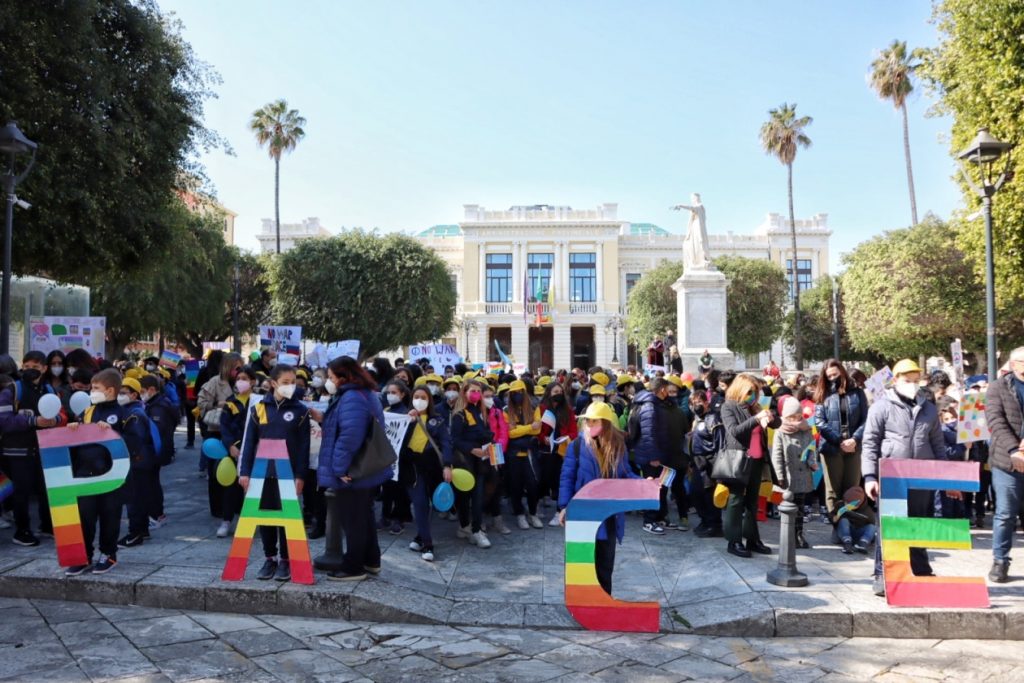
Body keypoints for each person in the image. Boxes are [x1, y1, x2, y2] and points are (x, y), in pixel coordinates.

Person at [862, 358, 949, 597]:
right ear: (896, 380)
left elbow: (938, 444)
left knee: (919, 523)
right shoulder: (881, 407)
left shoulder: (929, 409)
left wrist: (944, 477)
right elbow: (870, 443)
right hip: (892, 476)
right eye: (906, 380)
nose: (911, 384)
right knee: (890, 526)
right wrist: (870, 476)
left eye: (915, 380)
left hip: (922, 477)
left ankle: (920, 569)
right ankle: (883, 574)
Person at [317, 356, 393, 581]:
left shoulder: (352, 397)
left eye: (331, 377)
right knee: (364, 515)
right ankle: (371, 560)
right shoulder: (362, 393)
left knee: (353, 519)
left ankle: (353, 567)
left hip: (354, 469)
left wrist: (339, 469)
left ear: (343, 376)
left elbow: (350, 436)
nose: (329, 381)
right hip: (363, 468)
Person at [64, 369, 142, 575]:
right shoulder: (87, 412)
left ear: (109, 390)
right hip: (86, 475)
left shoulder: (126, 414)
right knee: (85, 517)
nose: (92, 391)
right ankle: (84, 557)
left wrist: (112, 433)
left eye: (96, 388)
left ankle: (109, 554)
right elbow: (75, 441)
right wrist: (72, 429)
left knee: (110, 516)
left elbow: (134, 443)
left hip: (112, 476)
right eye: (91, 387)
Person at [557, 402, 641, 594]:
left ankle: (604, 601)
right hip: (583, 513)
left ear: (605, 423)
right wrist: (563, 506)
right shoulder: (577, 446)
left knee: (605, 562)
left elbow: (626, 474)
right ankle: (581, 602)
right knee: (581, 563)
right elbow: (567, 477)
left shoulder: (618, 446)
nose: (589, 425)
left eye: (594, 421)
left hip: (609, 515)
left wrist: (645, 483)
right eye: (587, 421)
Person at [238, 364, 311, 582]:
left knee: (287, 519)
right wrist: (245, 472)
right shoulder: (258, 409)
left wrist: (301, 476)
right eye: (286, 382)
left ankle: (286, 561)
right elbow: (249, 443)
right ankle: (269, 558)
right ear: (273, 384)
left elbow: (304, 447)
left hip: (288, 474)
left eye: (293, 382)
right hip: (262, 473)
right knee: (266, 517)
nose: (291, 386)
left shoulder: (300, 411)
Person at [0, 351, 66, 546]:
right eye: (27, 367)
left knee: (46, 490)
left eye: (35, 367)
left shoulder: (50, 391)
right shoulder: (12, 390)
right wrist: (33, 420)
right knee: (22, 492)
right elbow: (3, 420)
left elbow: (62, 415)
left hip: (45, 449)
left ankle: (46, 526)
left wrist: (55, 420)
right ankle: (22, 531)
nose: (30, 371)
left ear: (44, 369)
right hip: (17, 451)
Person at [720, 373, 779, 558]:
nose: (754, 396)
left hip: (757, 459)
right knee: (736, 500)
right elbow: (735, 431)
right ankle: (734, 540)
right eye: (750, 392)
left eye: (756, 392)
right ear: (740, 390)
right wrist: (755, 419)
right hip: (738, 459)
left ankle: (753, 539)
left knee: (753, 502)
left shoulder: (755, 407)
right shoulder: (728, 407)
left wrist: (770, 416)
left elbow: (776, 424)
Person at [813, 360, 868, 540]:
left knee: (852, 489)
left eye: (835, 375)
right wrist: (839, 441)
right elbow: (820, 422)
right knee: (833, 491)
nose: (832, 379)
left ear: (842, 373)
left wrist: (854, 439)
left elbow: (866, 419)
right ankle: (840, 528)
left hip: (853, 446)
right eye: (829, 376)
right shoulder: (823, 395)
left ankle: (849, 526)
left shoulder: (857, 393)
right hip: (831, 447)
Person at [983, 346, 1024, 583]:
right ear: (1015, 364)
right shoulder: (998, 387)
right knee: (1006, 513)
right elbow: (996, 421)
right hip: (1005, 461)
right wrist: (1015, 450)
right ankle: (1000, 561)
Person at [404, 385, 452, 561]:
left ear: (429, 400)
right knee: (420, 503)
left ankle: (420, 536)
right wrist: (408, 422)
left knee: (429, 504)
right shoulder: (405, 418)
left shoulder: (437, 420)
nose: (419, 400)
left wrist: (447, 465)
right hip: (411, 467)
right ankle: (428, 544)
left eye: (423, 397)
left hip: (432, 467)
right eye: (416, 396)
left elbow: (447, 443)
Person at [115, 378, 161, 548]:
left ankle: (135, 533)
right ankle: (142, 531)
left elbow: (134, 440)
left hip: (137, 461)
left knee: (134, 499)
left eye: (123, 393)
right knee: (140, 497)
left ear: (134, 394)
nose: (119, 396)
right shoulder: (134, 410)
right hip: (142, 461)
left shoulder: (134, 414)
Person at [450, 379, 496, 548]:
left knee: (478, 497)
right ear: (465, 392)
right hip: (465, 462)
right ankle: (466, 527)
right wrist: (471, 449)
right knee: (464, 497)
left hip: (481, 461)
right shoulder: (459, 415)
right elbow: (454, 440)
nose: (476, 393)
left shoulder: (481, 412)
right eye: (472, 390)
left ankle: (475, 529)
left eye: (478, 391)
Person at [771, 395, 819, 550]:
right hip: (788, 474)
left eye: (798, 416)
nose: (796, 420)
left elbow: (812, 448)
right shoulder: (781, 431)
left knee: (800, 506)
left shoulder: (806, 430)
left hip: (803, 474)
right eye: (792, 417)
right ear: (785, 416)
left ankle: (799, 533)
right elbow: (777, 454)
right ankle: (788, 535)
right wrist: (779, 475)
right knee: (788, 506)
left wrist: (812, 462)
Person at [198, 353, 243, 516]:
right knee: (216, 470)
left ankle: (236, 505)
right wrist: (219, 404)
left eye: (240, 366)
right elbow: (201, 403)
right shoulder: (215, 382)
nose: (238, 370)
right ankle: (217, 508)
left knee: (237, 471)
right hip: (216, 432)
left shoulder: (243, 382)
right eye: (235, 367)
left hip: (236, 432)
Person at [215, 366, 256, 538]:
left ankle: (247, 520)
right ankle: (226, 520)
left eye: (245, 378)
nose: (241, 381)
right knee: (231, 487)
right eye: (239, 378)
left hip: (254, 450)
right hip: (234, 450)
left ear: (253, 381)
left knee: (251, 487)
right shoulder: (230, 402)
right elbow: (224, 427)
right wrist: (230, 445)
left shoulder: (259, 401)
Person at [628, 378, 673, 534]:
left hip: (656, 453)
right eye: (667, 389)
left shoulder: (649, 404)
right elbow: (648, 434)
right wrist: (653, 456)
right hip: (651, 456)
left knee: (660, 488)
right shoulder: (649, 406)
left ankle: (659, 517)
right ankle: (649, 521)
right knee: (652, 488)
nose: (668, 393)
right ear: (662, 389)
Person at [537, 379, 578, 524]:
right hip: (546, 450)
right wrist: (544, 438)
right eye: (555, 392)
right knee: (543, 478)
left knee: (559, 481)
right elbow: (538, 430)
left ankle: (559, 511)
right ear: (549, 393)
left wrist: (567, 437)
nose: (558, 395)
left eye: (560, 392)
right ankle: (537, 505)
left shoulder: (567, 410)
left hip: (562, 450)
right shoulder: (542, 408)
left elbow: (574, 431)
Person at [504, 380, 543, 529]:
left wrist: (519, 428)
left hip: (530, 453)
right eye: (514, 393)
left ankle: (533, 513)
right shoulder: (506, 410)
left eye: (520, 392)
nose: (517, 395)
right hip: (514, 455)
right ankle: (520, 514)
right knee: (516, 487)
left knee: (533, 485)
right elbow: (510, 434)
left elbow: (538, 430)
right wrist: (528, 427)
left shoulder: (534, 407)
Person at [140, 374, 176, 528]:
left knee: (150, 484)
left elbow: (157, 430)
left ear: (152, 390)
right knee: (151, 482)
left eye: (142, 391)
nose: (141, 394)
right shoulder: (159, 403)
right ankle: (156, 514)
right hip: (157, 450)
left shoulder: (158, 407)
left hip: (155, 450)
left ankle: (155, 515)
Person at [688, 389, 724, 537]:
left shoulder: (713, 419)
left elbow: (720, 443)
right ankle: (705, 520)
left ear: (706, 402)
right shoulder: (697, 419)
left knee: (708, 495)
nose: (696, 406)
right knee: (696, 493)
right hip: (697, 462)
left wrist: (717, 466)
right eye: (693, 403)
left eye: (699, 402)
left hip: (710, 462)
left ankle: (714, 524)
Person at [380, 380, 414, 535]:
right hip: (386, 455)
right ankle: (385, 516)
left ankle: (398, 518)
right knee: (386, 487)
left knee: (399, 489)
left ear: (402, 394)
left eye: (394, 393)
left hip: (401, 457)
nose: (390, 395)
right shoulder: (386, 409)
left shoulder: (406, 413)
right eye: (388, 392)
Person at [481, 383, 510, 535]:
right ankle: (481, 518)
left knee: (496, 486)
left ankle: (497, 519)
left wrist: (497, 451)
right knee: (483, 488)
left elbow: (503, 433)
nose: (489, 399)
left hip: (496, 453)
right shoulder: (475, 414)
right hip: (481, 455)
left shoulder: (498, 412)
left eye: (491, 396)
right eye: (486, 396)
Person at [835, 486, 876, 554]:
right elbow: (832, 516)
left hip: (858, 533)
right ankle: (847, 543)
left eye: (850, 505)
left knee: (872, 526)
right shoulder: (840, 505)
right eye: (846, 502)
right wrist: (834, 518)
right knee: (844, 521)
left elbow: (871, 525)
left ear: (858, 504)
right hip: (844, 533)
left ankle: (863, 543)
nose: (847, 505)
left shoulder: (867, 511)